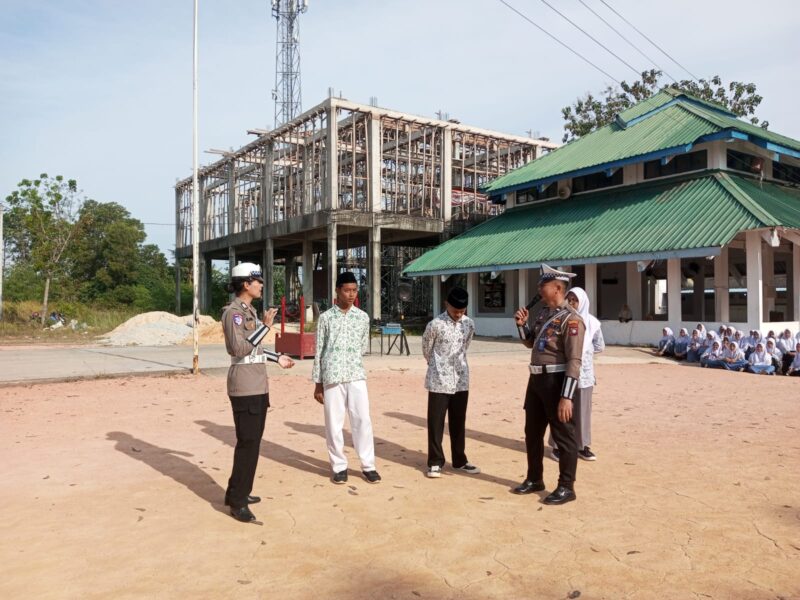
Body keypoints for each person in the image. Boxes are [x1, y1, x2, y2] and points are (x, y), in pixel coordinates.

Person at [221, 262, 295, 523]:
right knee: (248, 444)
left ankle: (236, 491)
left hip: (256, 384)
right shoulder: (234, 314)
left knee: (251, 443)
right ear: (245, 283)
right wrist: (265, 326)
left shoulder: (248, 311)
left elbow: (255, 350)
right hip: (245, 387)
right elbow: (239, 349)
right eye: (258, 280)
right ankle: (238, 501)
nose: (261, 284)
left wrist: (278, 358)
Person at [512, 264, 585, 505]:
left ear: (557, 288)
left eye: (543, 285)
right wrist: (522, 325)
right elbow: (531, 344)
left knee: (564, 435)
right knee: (532, 432)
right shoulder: (543, 314)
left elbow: (575, 361)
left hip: (556, 381)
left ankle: (566, 486)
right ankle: (535, 478)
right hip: (536, 380)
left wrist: (566, 397)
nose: (539, 289)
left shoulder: (572, 320)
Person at [312, 271, 381, 485]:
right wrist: (318, 383)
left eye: (354, 290)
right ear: (337, 291)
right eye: (346, 290)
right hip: (332, 376)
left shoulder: (362, 317)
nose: (351, 294)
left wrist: (350, 360)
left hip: (355, 375)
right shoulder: (325, 318)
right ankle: (339, 466)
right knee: (334, 424)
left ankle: (368, 465)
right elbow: (319, 350)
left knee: (362, 420)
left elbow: (362, 345)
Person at [421, 287, 480, 478]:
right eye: (456, 311)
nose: (459, 314)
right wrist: (437, 365)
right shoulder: (435, 325)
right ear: (447, 304)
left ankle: (459, 460)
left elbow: (466, 345)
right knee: (436, 422)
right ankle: (435, 462)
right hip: (439, 379)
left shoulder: (469, 324)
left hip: (461, 379)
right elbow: (426, 349)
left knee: (458, 421)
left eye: (462, 311)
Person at [549, 287, 603, 462]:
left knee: (583, 411)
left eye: (575, 300)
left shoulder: (593, 323)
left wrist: (584, 352)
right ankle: (558, 446)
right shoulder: (560, 319)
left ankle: (582, 445)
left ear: (583, 302)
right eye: (569, 299)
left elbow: (600, 345)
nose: (571, 303)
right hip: (564, 373)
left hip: (585, 374)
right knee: (563, 410)